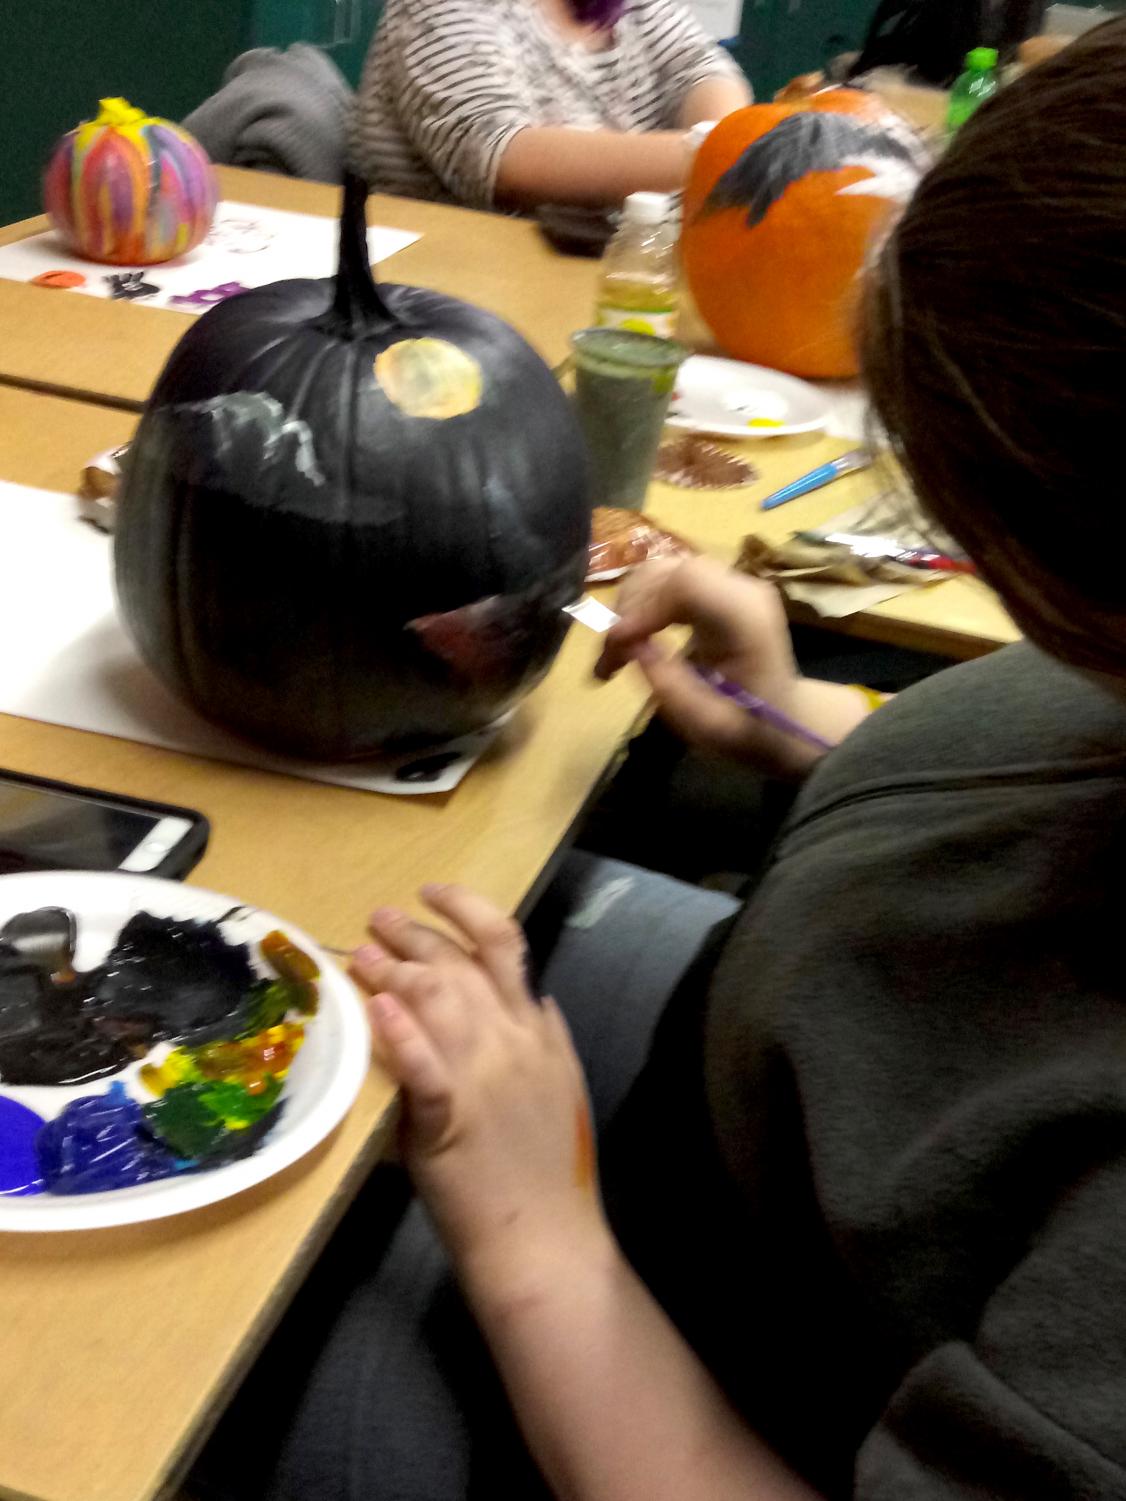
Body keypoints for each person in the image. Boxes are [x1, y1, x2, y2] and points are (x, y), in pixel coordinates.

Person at [196, 19, 1126, 1501]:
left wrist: (532, 1242)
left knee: (173, 1363)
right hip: (763, 1070)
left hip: (709, 1375)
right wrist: (800, 715)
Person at [350, 0, 751, 210]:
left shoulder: (634, 6)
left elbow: (699, 66)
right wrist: (723, 156)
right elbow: (503, 158)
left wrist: (726, 139)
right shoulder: (438, 8)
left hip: (629, 266)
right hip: (479, 288)